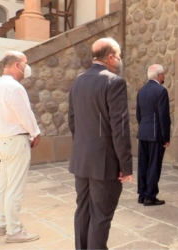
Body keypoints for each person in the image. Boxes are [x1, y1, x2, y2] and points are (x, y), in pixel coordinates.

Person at [68, 37, 133, 249]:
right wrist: (125, 166)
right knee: (101, 216)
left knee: (83, 210)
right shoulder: (114, 82)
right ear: (111, 57)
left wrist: (83, 145)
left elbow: (72, 120)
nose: (120, 61)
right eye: (119, 57)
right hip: (104, 164)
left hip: (82, 159)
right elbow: (119, 128)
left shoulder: (77, 80)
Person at [0, 51, 41, 242]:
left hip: (3, 140)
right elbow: (25, 114)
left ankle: (2, 222)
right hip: (16, 141)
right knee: (15, 187)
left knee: (4, 185)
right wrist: (35, 133)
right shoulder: (14, 88)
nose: (27, 67)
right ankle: (14, 231)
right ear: (17, 65)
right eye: (25, 63)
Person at [136, 64, 171, 206]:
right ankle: (150, 196)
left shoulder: (141, 91)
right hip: (156, 134)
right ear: (159, 75)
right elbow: (163, 116)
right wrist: (166, 137)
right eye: (163, 74)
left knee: (143, 164)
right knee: (154, 165)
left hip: (143, 132)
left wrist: (144, 127)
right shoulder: (161, 91)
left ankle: (142, 194)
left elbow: (138, 114)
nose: (163, 77)